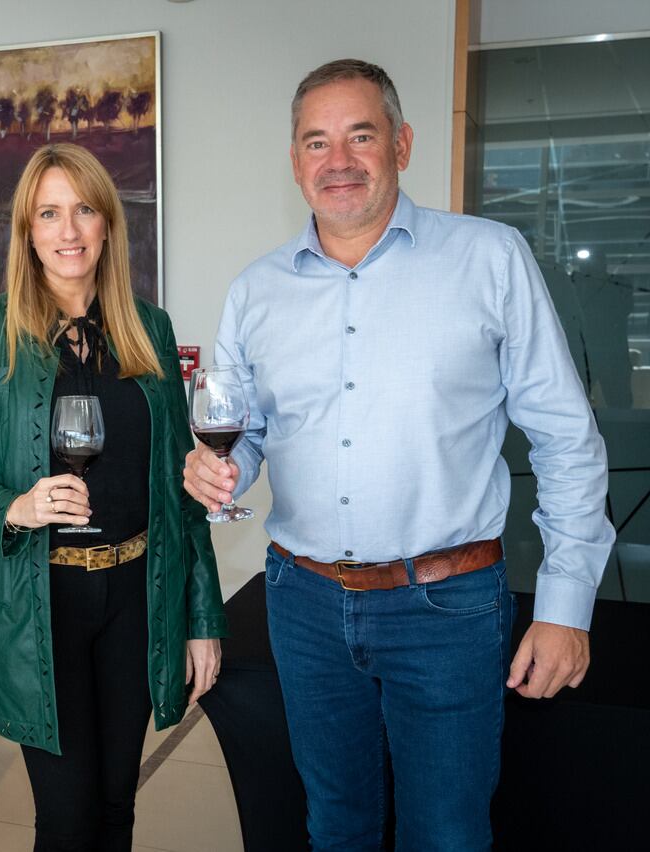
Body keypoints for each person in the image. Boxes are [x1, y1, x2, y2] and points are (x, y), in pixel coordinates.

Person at [183, 59, 615, 850]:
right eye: (317, 142)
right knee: (334, 825)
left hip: (446, 608)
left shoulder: (489, 258)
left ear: (403, 144)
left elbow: (565, 435)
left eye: (360, 135)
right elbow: (244, 431)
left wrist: (564, 603)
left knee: (446, 834)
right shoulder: (256, 291)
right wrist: (222, 468)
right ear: (294, 160)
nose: (337, 160)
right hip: (303, 603)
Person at [0, 143, 225, 851]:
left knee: (117, 808)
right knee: (66, 817)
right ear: (27, 232)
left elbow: (183, 489)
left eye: (84, 210)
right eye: (49, 214)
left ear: (108, 225)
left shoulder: (149, 329)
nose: (68, 231)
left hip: (136, 596)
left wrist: (201, 616)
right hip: (39, 603)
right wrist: (15, 507)